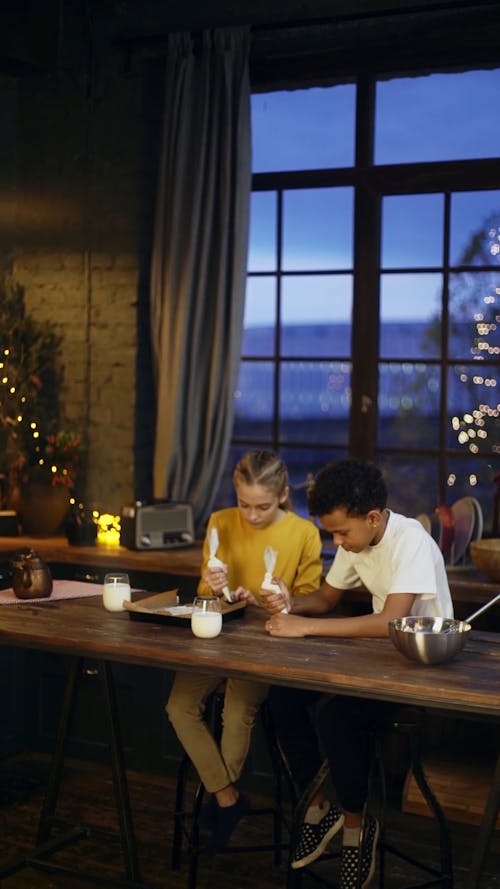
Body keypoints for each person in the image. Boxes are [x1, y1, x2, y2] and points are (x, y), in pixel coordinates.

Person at [261, 457, 453, 889]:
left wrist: (304, 627)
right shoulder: (357, 542)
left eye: (342, 532)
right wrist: (288, 603)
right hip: (379, 664)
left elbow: (391, 621)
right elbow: (328, 598)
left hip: (422, 670)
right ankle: (318, 806)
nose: (338, 542)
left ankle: (354, 826)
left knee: (335, 716)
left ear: (371, 517)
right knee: (283, 697)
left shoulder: (412, 541)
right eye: (332, 533)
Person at [166, 449, 322, 853]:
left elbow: (310, 600)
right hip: (217, 635)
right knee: (178, 706)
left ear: (284, 494)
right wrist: (217, 587)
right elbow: (205, 594)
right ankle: (226, 797)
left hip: (269, 642)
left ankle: (221, 797)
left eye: (263, 507)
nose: (251, 516)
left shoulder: (303, 533)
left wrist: (282, 600)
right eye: (244, 504)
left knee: (238, 710)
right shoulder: (220, 522)